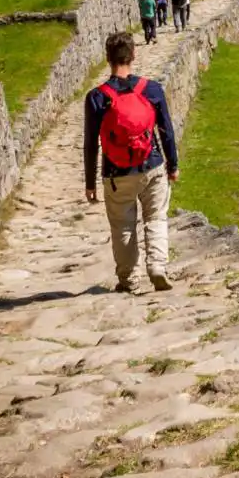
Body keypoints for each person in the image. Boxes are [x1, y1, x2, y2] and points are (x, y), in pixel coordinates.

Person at [84, 32, 179, 293]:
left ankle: (128, 279)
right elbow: (166, 131)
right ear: (133, 55)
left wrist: (90, 182)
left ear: (108, 59)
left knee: (123, 226)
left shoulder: (96, 97)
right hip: (152, 165)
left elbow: (91, 143)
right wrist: (173, 165)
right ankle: (157, 267)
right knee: (156, 217)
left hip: (116, 173)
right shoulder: (151, 89)